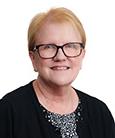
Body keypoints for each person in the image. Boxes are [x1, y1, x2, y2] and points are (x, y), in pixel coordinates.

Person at [0, 7, 115, 138]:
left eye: (71, 46)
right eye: (48, 47)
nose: (60, 57)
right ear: (33, 58)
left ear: (82, 55)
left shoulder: (99, 113)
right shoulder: (9, 111)